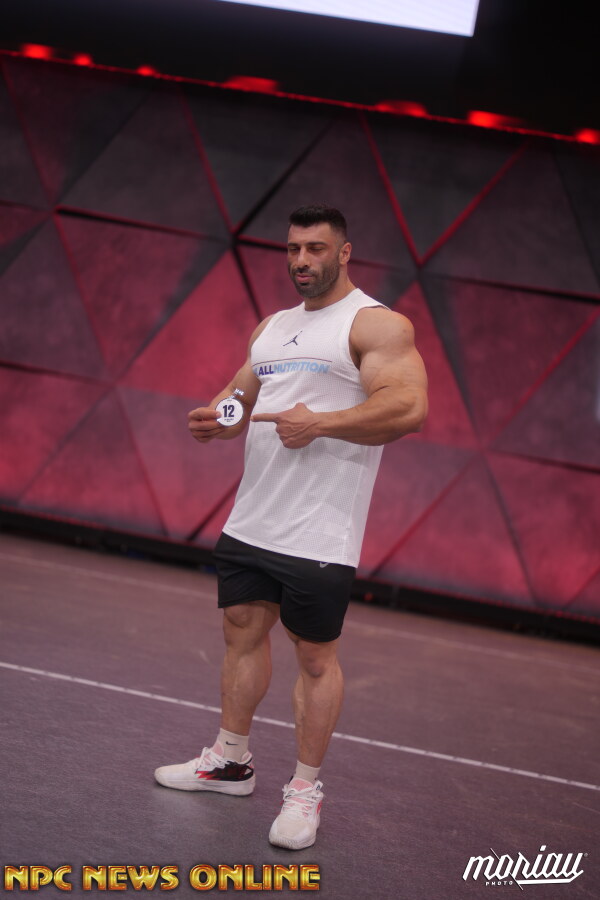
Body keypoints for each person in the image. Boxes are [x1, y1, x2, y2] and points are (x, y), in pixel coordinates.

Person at [154, 204, 428, 850]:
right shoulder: (274, 328)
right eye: (293, 249)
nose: (302, 260)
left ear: (344, 252)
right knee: (241, 633)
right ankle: (230, 762)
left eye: (316, 248)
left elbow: (409, 407)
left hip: (320, 532)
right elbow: (242, 396)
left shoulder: (375, 325)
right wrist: (217, 419)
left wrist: (323, 423)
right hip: (254, 519)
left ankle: (304, 791)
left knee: (315, 657)